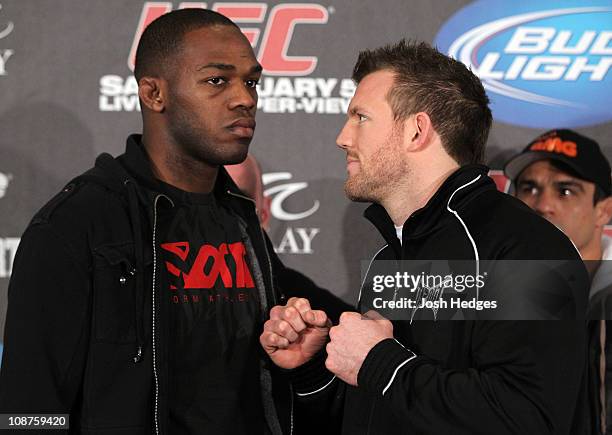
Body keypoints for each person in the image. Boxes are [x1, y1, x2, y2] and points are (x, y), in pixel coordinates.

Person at [260, 40, 590, 434]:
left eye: (360, 117)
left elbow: (528, 417)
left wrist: (381, 364)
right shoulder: (389, 257)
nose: (343, 138)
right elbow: (381, 411)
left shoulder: (525, 248)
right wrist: (313, 368)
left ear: (417, 131)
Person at [0, 9, 295, 434]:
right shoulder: (75, 227)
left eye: (251, 82)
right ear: (154, 94)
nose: (245, 98)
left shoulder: (240, 216)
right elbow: (28, 410)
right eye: (217, 80)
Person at [504, 130, 612, 434]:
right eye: (529, 188)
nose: (542, 205)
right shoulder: (485, 296)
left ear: (604, 210)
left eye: (566, 191)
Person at [225, 155, 352, 324]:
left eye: (235, 199)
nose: (218, 214)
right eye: (206, 199)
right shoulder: (178, 299)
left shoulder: (313, 313)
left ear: (264, 212)